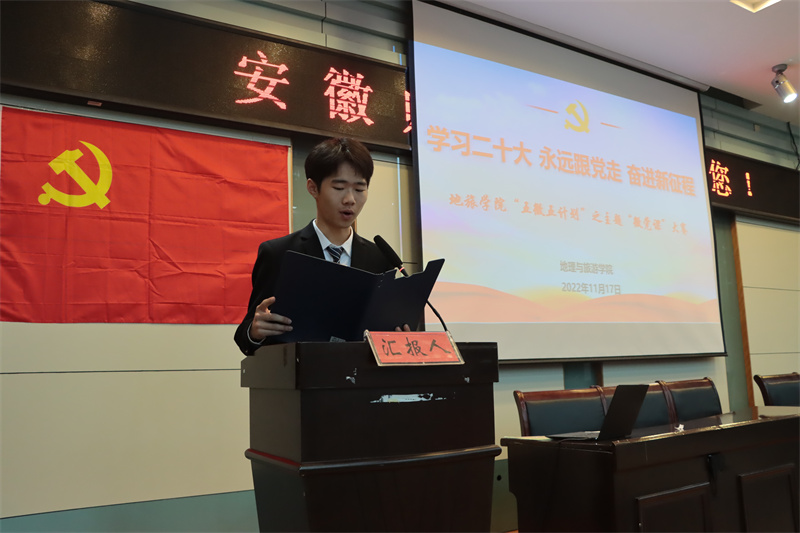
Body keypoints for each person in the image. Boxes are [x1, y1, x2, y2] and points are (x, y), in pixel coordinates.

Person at [234, 137, 397, 355]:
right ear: (313, 188)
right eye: (339, 187)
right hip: (302, 372)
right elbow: (245, 336)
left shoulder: (380, 257)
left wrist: (399, 334)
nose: (350, 199)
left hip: (361, 374)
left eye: (360, 189)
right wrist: (255, 331)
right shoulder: (279, 253)